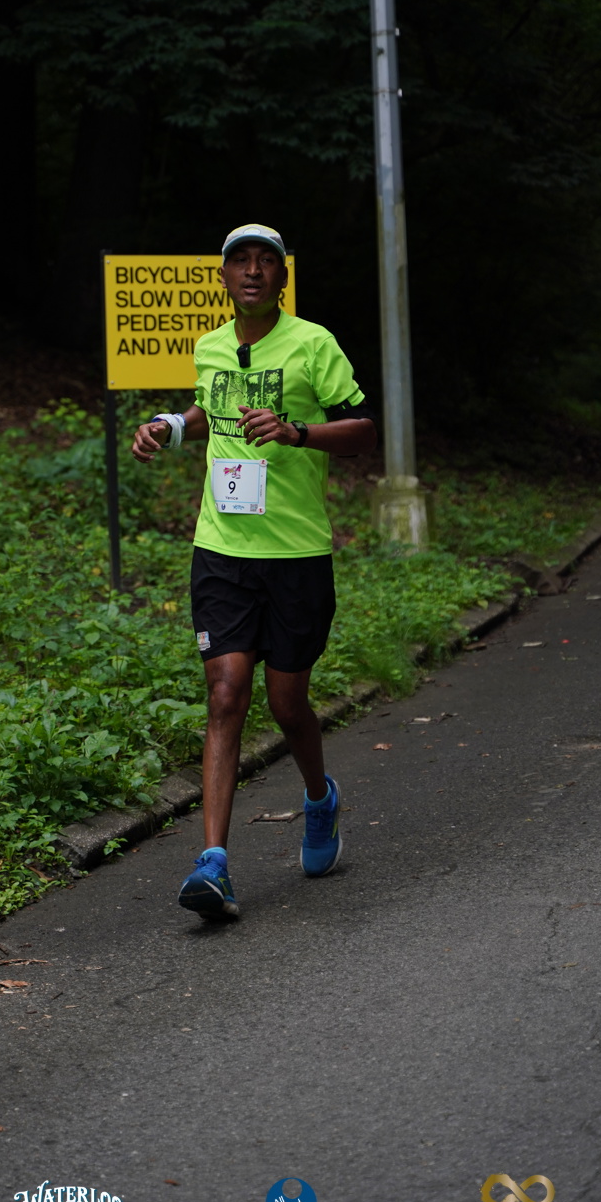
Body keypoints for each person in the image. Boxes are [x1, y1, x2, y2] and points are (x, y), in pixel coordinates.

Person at [131, 224, 377, 917]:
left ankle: (319, 799)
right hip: (222, 549)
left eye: (266, 261)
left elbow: (363, 430)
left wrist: (297, 432)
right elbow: (209, 409)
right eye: (240, 260)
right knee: (225, 693)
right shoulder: (210, 344)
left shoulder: (313, 343)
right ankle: (213, 864)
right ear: (223, 275)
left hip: (296, 553)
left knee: (287, 704)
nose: (253, 271)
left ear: (281, 278)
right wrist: (170, 426)